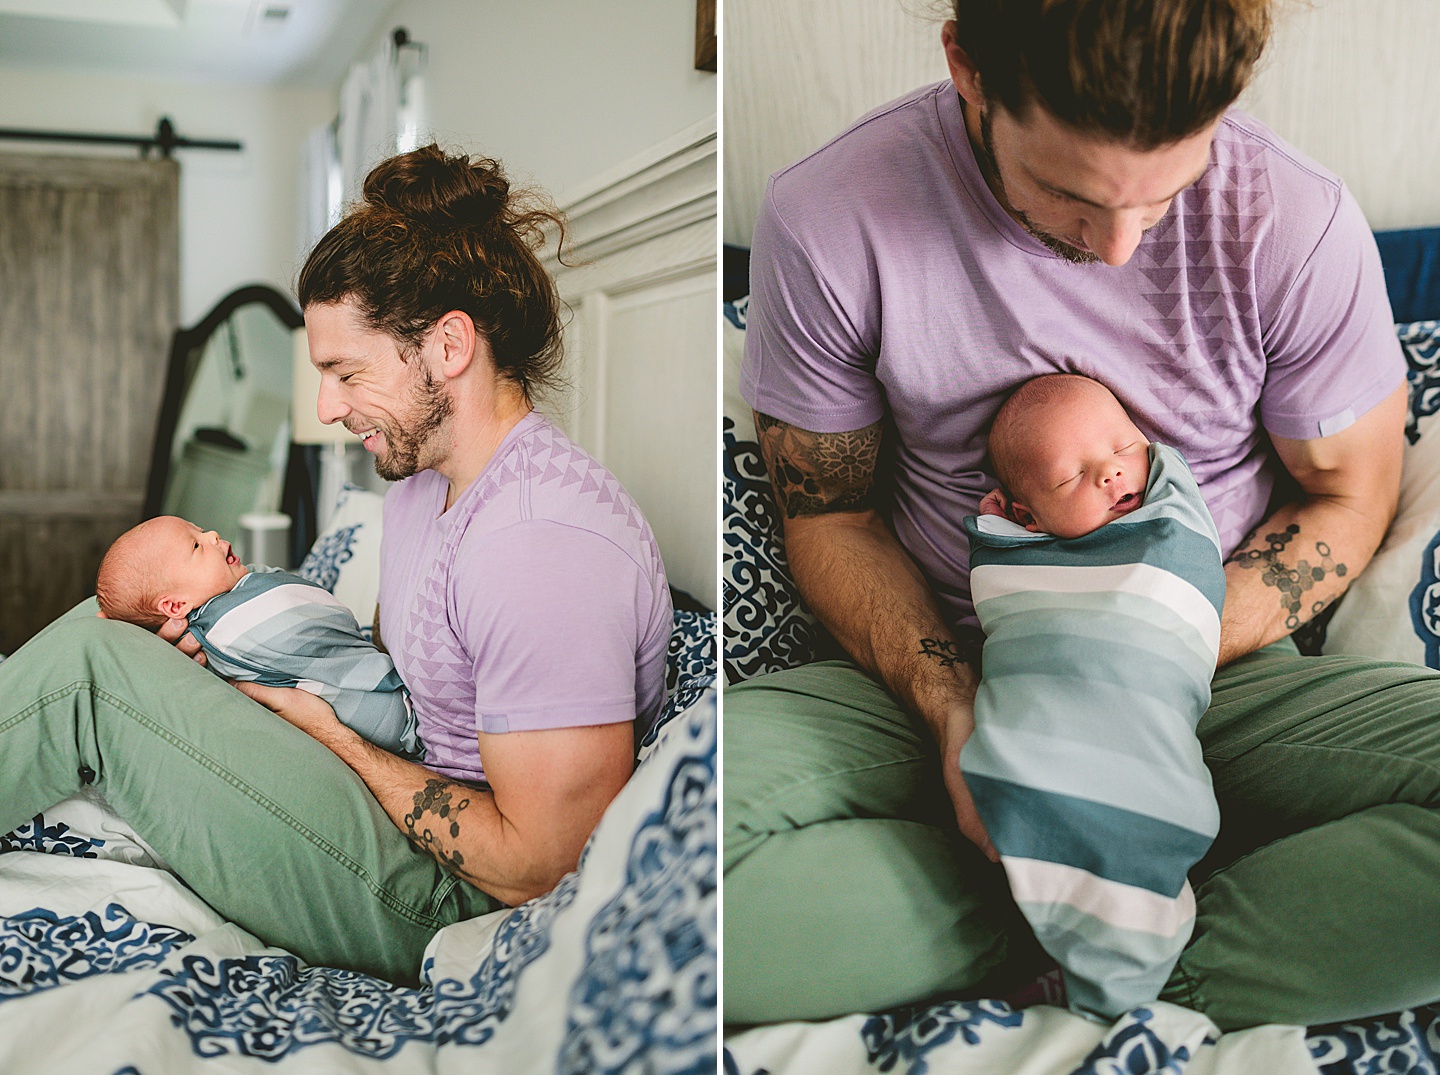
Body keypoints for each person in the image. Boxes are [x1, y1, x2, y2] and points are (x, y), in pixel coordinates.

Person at [725, 0, 1432, 1031]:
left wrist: (1147, 653)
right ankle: (1051, 914)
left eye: (1168, 192)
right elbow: (828, 515)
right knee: (666, 847)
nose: (1115, 249)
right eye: (1065, 191)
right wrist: (960, 715)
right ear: (966, 66)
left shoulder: (1295, 221)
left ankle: (1138, 961)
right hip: (939, 668)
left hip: (1207, 676)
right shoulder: (833, 214)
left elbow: (1350, 493)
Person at [0, 144, 672, 987]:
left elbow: (539, 866)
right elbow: (396, 678)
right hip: (391, 802)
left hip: (457, 895)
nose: (326, 406)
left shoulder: (543, 543)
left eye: (344, 370)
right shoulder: (421, 487)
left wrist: (326, 733)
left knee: (91, 675)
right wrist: (254, 660)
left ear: (449, 346)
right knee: (108, 623)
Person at [963, 373, 1224, 1020]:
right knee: (1040, 778)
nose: (1110, 473)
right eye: (1069, 477)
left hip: (1160, 702)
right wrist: (1001, 541)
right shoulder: (1018, 545)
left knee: (1137, 800)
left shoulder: (1165, 515)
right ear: (1026, 516)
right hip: (1049, 701)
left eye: (1124, 447)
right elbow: (1010, 601)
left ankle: (1116, 981)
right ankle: (1087, 964)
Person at [94, 515, 421, 760]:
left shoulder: (234, 602)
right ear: (176, 605)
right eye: (195, 545)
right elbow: (315, 619)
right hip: (395, 720)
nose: (212, 535)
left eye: (199, 529)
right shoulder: (233, 628)